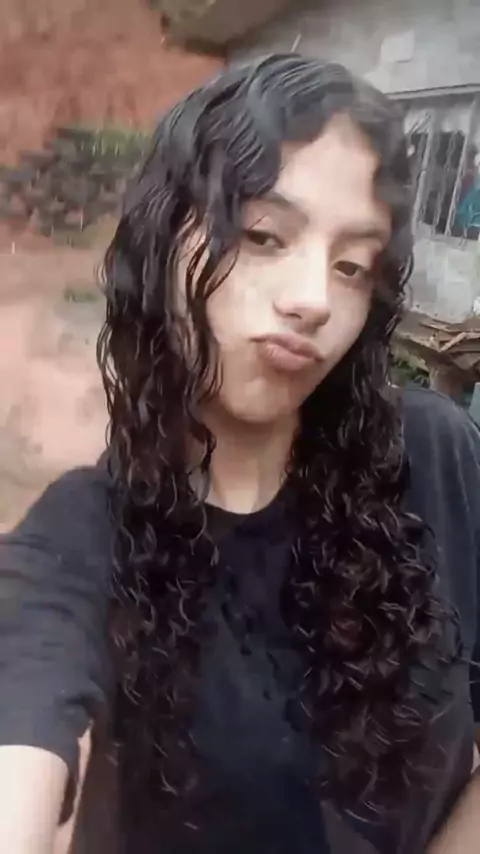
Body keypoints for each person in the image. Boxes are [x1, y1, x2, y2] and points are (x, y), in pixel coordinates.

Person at [0, 54, 479, 854]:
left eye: (352, 265)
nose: (314, 299)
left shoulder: (435, 458)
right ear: (165, 242)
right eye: (263, 236)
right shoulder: (82, 538)